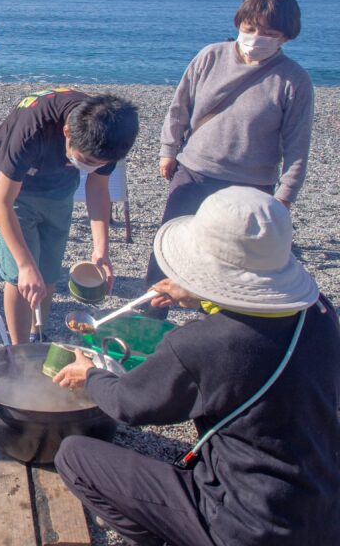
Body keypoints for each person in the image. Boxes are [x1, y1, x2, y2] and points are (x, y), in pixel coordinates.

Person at [53, 187, 340, 546]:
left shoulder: (204, 344)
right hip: (324, 508)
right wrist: (200, 296)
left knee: (74, 457)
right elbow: (252, 327)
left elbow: (128, 404)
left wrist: (90, 375)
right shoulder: (320, 314)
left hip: (250, 525)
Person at [140, 0, 314, 319]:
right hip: (194, 171)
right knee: (166, 254)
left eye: (269, 34)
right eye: (250, 29)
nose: (256, 38)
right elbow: (180, 106)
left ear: (286, 37)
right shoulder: (210, 56)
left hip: (251, 187)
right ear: (239, 23)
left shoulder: (294, 80)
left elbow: (297, 145)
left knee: (235, 267)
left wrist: (284, 198)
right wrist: (168, 149)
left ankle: (222, 331)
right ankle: (147, 325)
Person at [0, 89, 139, 344]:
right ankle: (19, 347)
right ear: (67, 132)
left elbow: (97, 188)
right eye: (87, 160)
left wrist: (101, 251)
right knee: (21, 274)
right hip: (16, 189)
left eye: (100, 163)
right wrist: (25, 265)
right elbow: (1, 203)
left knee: (48, 270)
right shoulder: (33, 128)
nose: (93, 166)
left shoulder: (109, 135)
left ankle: (36, 335)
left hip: (59, 187)